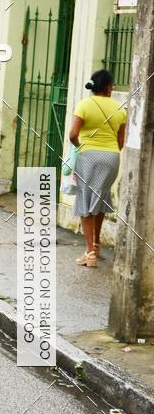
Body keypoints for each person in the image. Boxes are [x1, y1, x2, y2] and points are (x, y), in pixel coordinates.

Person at [69, 69, 126, 267]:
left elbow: (73, 135)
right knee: (100, 198)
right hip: (112, 158)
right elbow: (121, 142)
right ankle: (96, 244)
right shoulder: (120, 108)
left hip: (88, 157)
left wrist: (81, 148)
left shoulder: (84, 105)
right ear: (109, 87)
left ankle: (90, 253)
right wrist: (108, 151)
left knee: (86, 202)